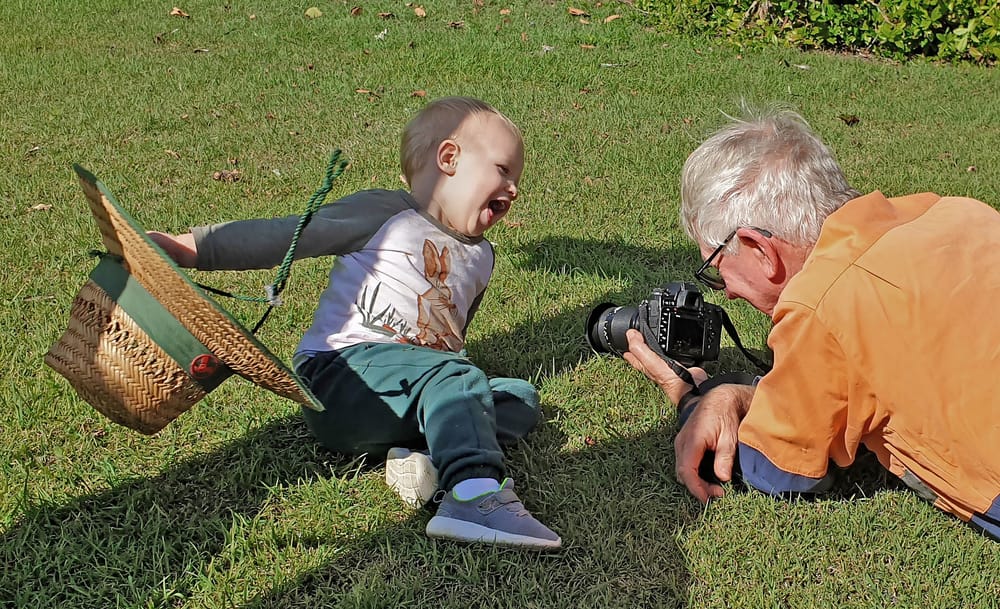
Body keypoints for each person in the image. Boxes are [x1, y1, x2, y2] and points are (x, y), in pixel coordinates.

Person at [149, 96, 561, 550]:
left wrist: (457, 379)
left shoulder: (482, 256)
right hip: (341, 376)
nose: (513, 189)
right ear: (449, 158)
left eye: (516, 179)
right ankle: (474, 496)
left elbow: (451, 339)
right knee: (459, 379)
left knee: (518, 398)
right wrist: (189, 248)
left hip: (399, 399)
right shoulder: (386, 214)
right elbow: (286, 235)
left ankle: (422, 459)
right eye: (503, 170)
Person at [623, 105, 1000, 541]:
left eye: (717, 268)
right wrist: (750, 394)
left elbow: (779, 468)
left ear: (759, 249)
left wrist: (692, 399)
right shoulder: (954, 210)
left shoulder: (821, 302)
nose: (726, 293)